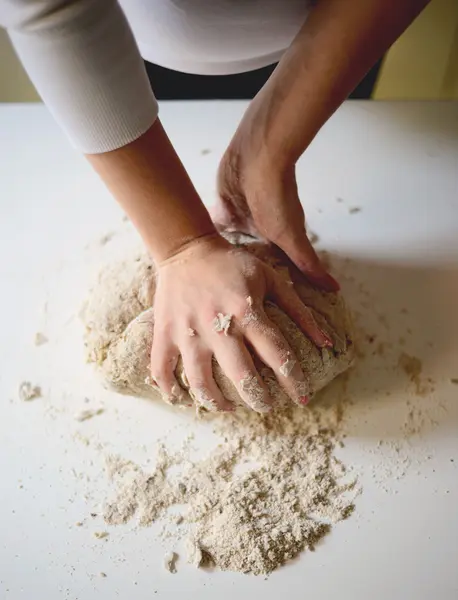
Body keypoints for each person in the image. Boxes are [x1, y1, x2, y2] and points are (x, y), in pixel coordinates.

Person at [0, 0, 429, 412]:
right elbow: (46, 7)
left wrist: (269, 145)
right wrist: (181, 245)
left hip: (339, 40)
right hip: (119, 51)